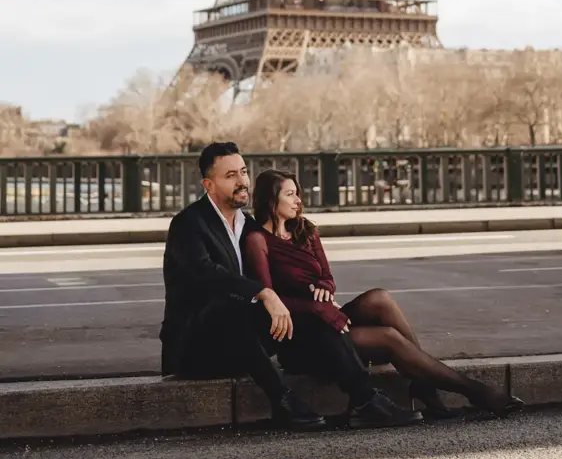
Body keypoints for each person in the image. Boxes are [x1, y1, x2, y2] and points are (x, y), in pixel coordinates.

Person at [160, 142, 420, 430]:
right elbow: (206, 275)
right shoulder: (189, 224)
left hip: (243, 340)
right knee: (229, 305)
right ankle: (282, 399)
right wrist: (265, 293)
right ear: (209, 184)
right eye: (230, 175)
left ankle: (366, 401)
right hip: (198, 348)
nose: (242, 181)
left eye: (244, 172)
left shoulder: (246, 225)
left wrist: (318, 298)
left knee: (315, 316)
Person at [245, 169, 524, 420]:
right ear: (272, 200)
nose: (298, 201)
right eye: (290, 194)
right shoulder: (258, 240)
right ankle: (475, 392)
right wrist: (318, 308)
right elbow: (268, 297)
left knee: (380, 298)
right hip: (304, 336)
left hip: (330, 320)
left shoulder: (305, 230)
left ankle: (425, 384)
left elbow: (327, 277)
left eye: (298, 194)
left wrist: (325, 289)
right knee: (388, 336)